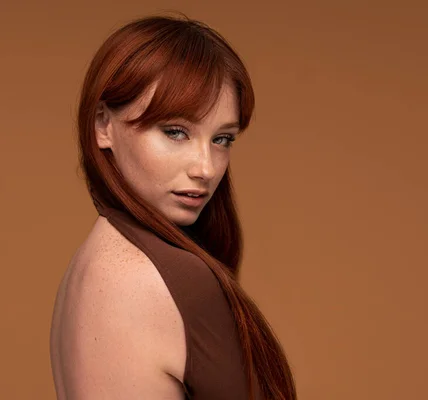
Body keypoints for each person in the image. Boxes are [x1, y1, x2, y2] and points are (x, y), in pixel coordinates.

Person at [49, 13, 296, 400]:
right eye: (175, 131)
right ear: (102, 125)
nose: (206, 169)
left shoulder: (84, 270)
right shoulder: (167, 280)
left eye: (222, 139)